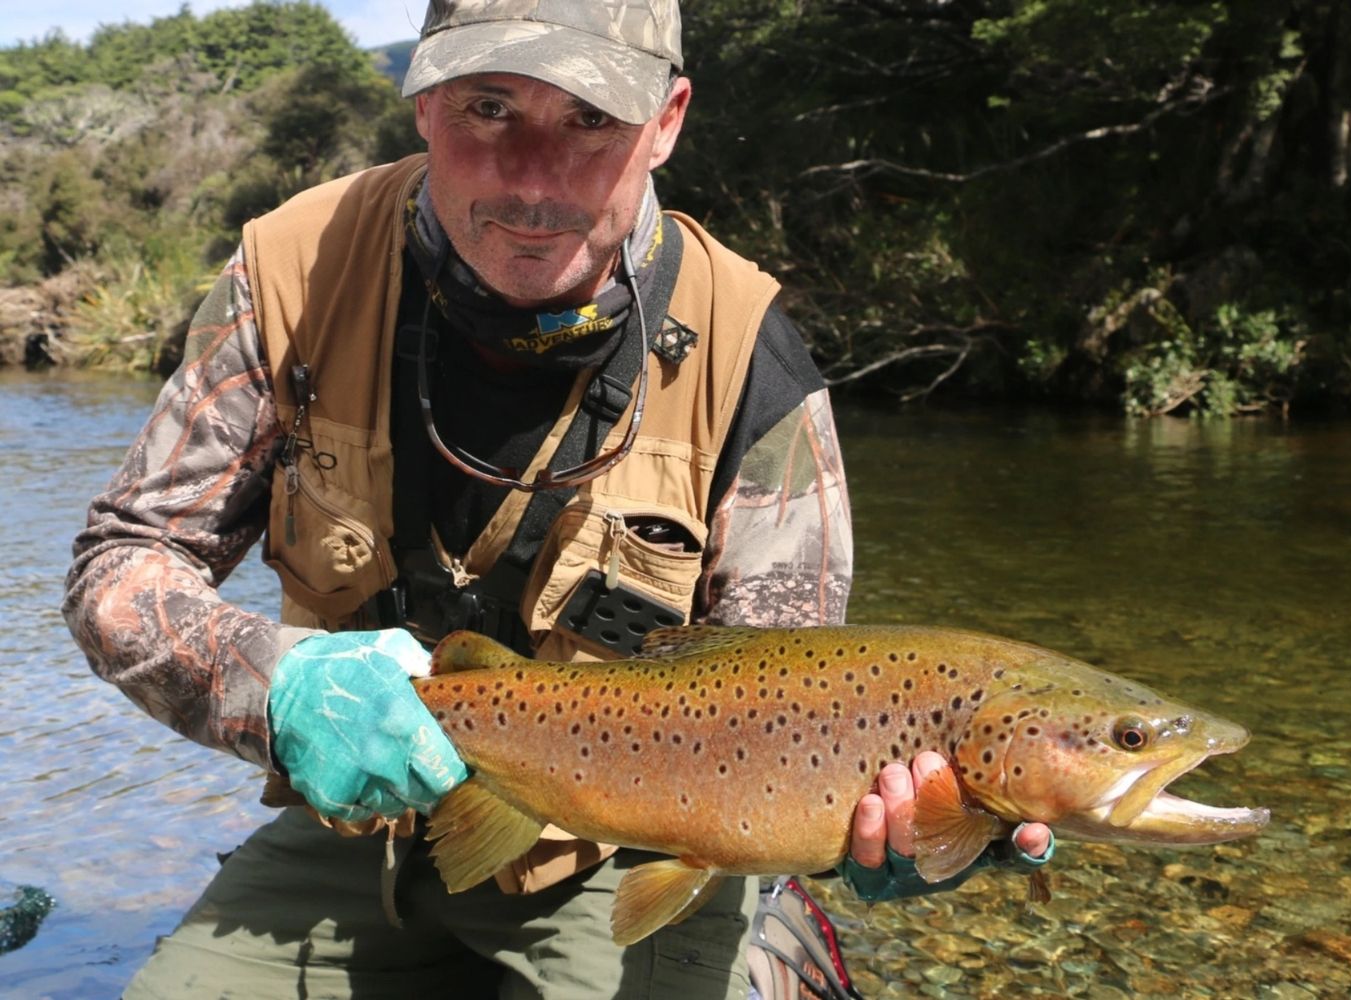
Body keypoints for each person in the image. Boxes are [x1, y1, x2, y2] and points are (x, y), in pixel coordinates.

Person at [62, 1, 1052, 997]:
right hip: (367, 833)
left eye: (592, 121)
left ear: (666, 121)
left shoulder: (753, 362)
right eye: (489, 108)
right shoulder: (288, 276)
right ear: (422, 101)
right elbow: (118, 567)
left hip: (621, 857)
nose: (533, 179)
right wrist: (272, 686)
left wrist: (892, 834)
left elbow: (800, 704)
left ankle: (779, 939)